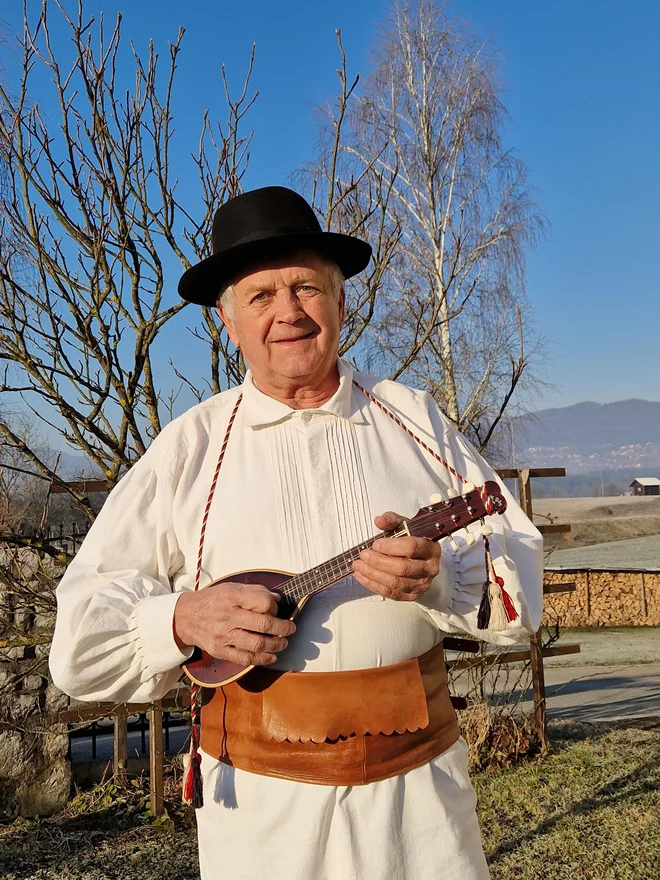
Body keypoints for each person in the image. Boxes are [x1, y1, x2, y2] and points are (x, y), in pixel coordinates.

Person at [50, 186, 543, 880]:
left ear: (341, 304)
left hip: (421, 811)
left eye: (307, 287)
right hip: (262, 822)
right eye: (260, 296)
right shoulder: (191, 447)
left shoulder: (413, 418)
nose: (288, 312)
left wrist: (440, 577)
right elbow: (78, 645)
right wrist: (182, 618)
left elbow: (521, 584)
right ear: (227, 321)